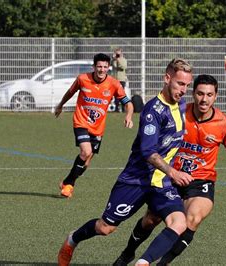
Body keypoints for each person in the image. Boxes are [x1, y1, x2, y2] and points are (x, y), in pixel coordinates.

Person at [58, 58, 194, 266]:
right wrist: (174, 172)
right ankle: (72, 239)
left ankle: (142, 262)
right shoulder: (152, 111)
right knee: (105, 228)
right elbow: (148, 151)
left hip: (161, 183)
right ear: (167, 79)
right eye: (180, 84)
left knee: (179, 222)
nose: (184, 90)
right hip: (135, 180)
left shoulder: (182, 105)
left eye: (187, 85)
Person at [113, 74, 226, 266]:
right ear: (193, 94)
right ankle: (128, 253)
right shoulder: (179, 113)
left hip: (201, 180)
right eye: (200, 93)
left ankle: (159, 264)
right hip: (170, 177)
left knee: (192, 219)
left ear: (215, 96)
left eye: (209, 95)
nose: (204, 99)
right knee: (151, 219)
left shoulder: (222, 122)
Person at [54, 53, 134, 198]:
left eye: (104, 67)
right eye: (99, 67)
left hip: (98, 128)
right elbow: (70, 92)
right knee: (85, 151)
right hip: (81, 121)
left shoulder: (114, 84)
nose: (102, 70)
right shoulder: (82, 79)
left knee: (87, 161)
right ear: (94, 67)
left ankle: (67, 181)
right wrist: (60, 105)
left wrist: (128, 116)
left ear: (108, 67)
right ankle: (69, 185)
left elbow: (128, 103)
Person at [112, 48, 128, 112]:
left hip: (121, 79)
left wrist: (118, 60)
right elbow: (112, 66)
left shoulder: (123, 60)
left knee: (122, 94)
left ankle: (124, 107)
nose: (118, 55)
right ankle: (116, 108)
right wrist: (113, 58)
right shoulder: (114, 60)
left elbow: (123, 67)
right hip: (115, 79)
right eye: (117, 53)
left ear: (121, 53)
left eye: (119, 53)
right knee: (116, 94)